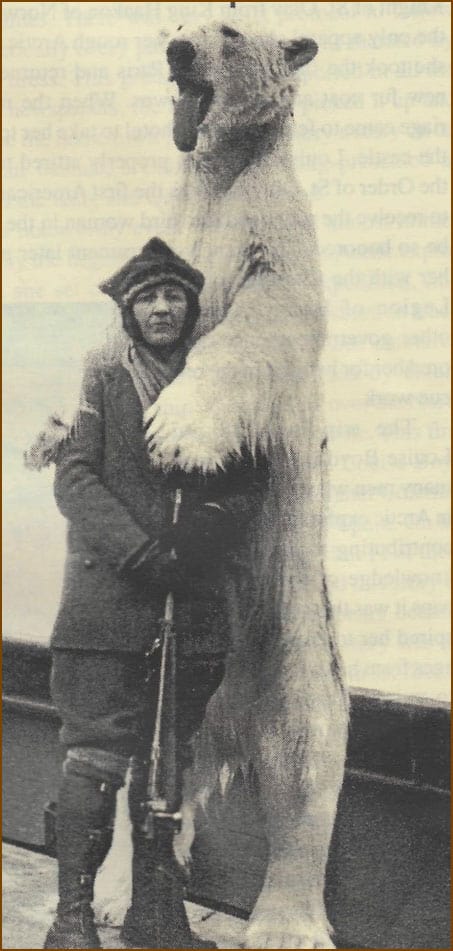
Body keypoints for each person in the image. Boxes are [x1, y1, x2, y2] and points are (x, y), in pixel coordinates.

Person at [44, 238, 269, 950]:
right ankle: (71, 919)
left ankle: (155, 916)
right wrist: (140, 551)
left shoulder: (220, 383)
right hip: (104, 612)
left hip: (192, 615)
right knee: (96, 757)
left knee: (166, 761)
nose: (162, 307)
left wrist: (197, 538)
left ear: (190, 305)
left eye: (173, 295)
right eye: (148, 297)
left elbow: (246, 479)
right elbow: (74, 477)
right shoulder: (102, 380)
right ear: (128, 310)